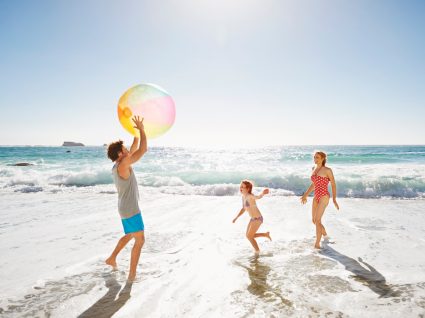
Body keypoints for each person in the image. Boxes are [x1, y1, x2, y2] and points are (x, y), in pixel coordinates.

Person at [105, 116, 147, 281]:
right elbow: (142, 150)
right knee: (140, 239)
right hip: (130, 208)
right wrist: (142, 130)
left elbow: (135, 148)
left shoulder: (118, 165)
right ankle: (132, 276)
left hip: (124, 207)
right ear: (120, 153)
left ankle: (112, 258)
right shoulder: (123, 165)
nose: (128, 150)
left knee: (130, 234)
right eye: (125, 149)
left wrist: (135, 135)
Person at [301, 151, 339, 249]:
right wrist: (305, 195)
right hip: (316, 196)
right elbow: (314, 184)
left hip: (324, 196)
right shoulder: (314, 169)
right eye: (314, 157)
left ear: (322, 158)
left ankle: (317, 244)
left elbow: (333, 184)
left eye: (317, 157)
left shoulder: (327, 170)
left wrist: (334, 199)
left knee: (318, 220)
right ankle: (325, 236)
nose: (315, 159)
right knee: (314, 220)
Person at [233, 180, 271, 254]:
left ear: (248, 189)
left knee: (250, 236)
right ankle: (265, 234)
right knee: (248, 236)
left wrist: (262, 193)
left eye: (242, 187)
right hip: (252, 219)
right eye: (240, 186)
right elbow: (243, 208)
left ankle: (257, 252)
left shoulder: (250, 196)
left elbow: (257, 197)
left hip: (258, 218)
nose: (241, 188)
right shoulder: (243, 197)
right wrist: (236, 217)